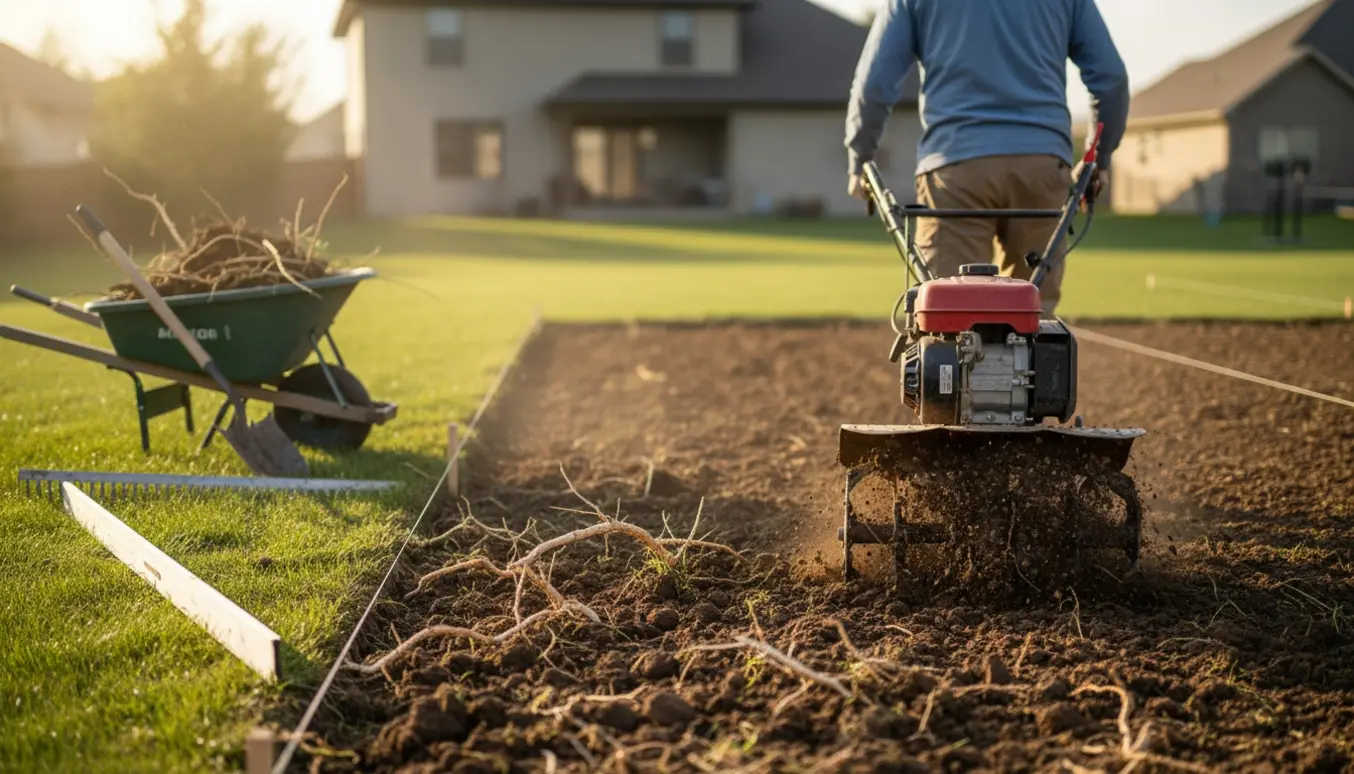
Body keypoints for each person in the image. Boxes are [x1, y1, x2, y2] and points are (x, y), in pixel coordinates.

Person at [844, 0, 1129, 317]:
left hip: (954, 170)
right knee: (1032, 316)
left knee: (948, 314)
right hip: (1042, 167)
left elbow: (874, 83)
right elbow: (1110, 77)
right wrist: (1099, 158)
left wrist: (861, 157)